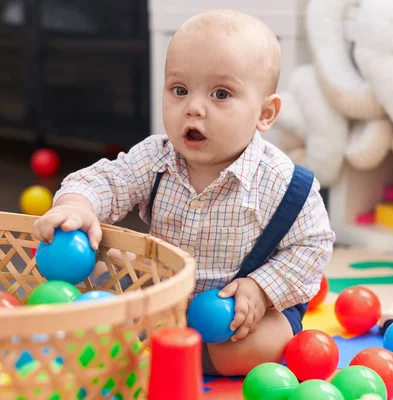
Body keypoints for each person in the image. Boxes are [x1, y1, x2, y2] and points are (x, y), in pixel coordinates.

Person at [32, 9, 336, 376]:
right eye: (179, 90)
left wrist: (260, 289)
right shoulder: (156, 158)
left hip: (242, 311)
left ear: (265, 114)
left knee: (249, 349)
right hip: (166, 299)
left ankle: (188, 361)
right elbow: (109, 179)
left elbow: (313, 244)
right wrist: (78, 204)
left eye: (220, 94)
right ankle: (166, 349)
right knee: (108, 315)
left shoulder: (280, 182)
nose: (193, 108)